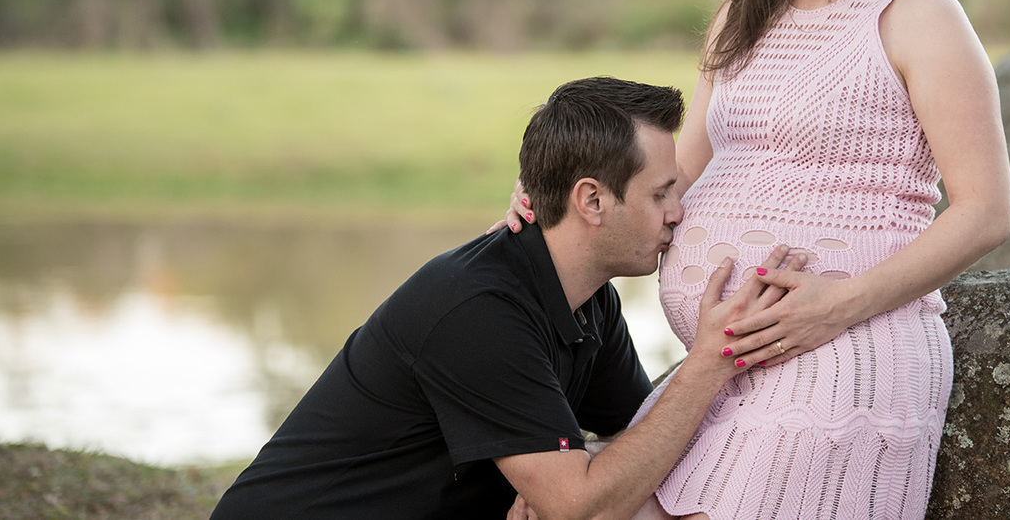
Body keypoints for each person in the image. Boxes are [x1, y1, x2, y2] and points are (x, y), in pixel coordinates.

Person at [505, 0, 1010, 519]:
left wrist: (835, 308)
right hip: (724, 371)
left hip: (842, 359)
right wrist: (558, 200)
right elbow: (672, 180)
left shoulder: (917, 15)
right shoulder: (738, 23)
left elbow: (985, 212)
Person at [210, 76, 805, 520]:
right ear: (592, 201)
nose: (679, 214)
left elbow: (639, 439)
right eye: (661, 194)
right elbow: (583, 508)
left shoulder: (588, 300)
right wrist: (712, 358)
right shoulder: (478, 310)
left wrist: (560, 468)